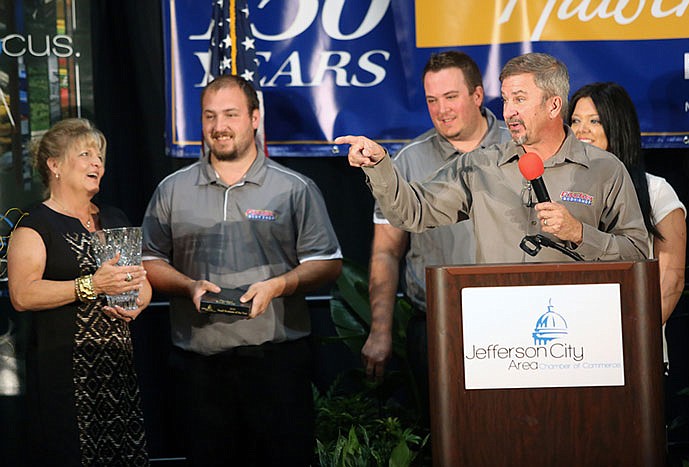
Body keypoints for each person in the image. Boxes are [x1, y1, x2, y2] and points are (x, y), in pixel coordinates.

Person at [141, 74, 342, 466]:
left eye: (231, 114)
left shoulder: (293, 188)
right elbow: (150, 260)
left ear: (254, 118)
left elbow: (328, 262)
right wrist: (187, 286)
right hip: (199, 367)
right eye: (210, 116)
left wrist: (279, 286)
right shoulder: (172, 189)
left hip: (276, 364)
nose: (219, 127)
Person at [336, 52, 649, 264]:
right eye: (506, 99)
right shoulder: (479, 166)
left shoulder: (604, 168)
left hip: (575, 328)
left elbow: (637, 254)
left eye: (520, 99)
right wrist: (379, 165)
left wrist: (580, 234)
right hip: (497, 336)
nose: (508, 111)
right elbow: (412, 213)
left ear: (554, 106)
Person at [362, 51, 510, 420]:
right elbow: (385, 253)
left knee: (513, 430)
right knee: (443, 434)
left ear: (477, 95)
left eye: (450, 97)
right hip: (435, 327)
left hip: (513, 322)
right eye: (431, 100)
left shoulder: (520, 146)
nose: (441, 109)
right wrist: (380, 330)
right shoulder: (408, 162)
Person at [7, 118, 151, 465]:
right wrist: (91, 285)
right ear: (53, 165)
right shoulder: (35, 224)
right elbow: (23, 295)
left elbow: (141, 282)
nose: (97, 163)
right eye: (85, 154)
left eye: (99, 156)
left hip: (118, 371)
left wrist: (138, 303)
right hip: (67, 375)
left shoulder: (114, 217)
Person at [569, 82, 686, 325]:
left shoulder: (656, 191)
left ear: (618, 126)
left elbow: (670, 282)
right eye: (575, 121)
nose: (581, 131)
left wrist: (639, 339)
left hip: (634, 343)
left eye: (595, 121)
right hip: (573, 338)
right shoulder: (564, 190)